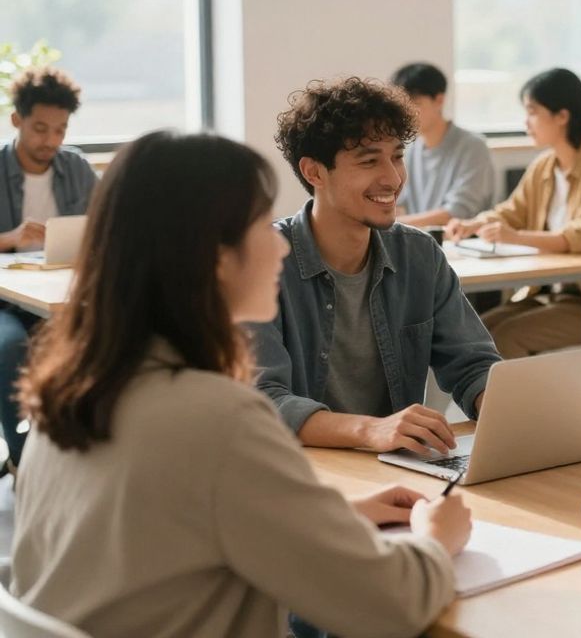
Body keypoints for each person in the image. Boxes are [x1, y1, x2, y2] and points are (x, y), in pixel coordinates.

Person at [11, 132, 473, 637]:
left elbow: (173, 523)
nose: (279, 243)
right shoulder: (218, 418)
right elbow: (391, 602)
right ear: (215, 257)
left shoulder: (71, 389)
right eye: (260, 224)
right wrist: (436, 539)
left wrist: (325, 516)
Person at [253, 76, 501, 452]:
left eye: (397, 156)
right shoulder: (261, 264)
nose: (393, 178)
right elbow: (263, 400)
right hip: (298, 468)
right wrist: (370, 430)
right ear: (314, 172)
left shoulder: (419, 255)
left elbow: (473, 364)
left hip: (394, 468)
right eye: (369, 161)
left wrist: (505, 406)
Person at [445, 68, 581, 358]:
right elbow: (512, 211)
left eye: (532, 112)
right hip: (548, 294)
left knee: (506, 337)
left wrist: (515, 237)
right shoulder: (544, 165)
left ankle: (517, 392)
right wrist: (474, 224)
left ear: (562, 116)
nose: (526, 122)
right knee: (479, 331)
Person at [0, 66, 98, 471]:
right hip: (5, 303)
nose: (51, 141)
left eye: (60, 130)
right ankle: (24, 461)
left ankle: (83, 453)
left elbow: (104, 229)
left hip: (59, 296)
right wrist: (10, 238)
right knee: (10, 347)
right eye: (40, 129)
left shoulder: (76, 168)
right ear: (17, 120)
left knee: (104, 338)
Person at [390, 62, 496, 227]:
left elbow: (458, 212)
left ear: (439, 100)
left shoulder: (473, 147)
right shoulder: (409, 148)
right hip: (419, 237)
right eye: (401, 105)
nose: (406, 113)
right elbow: (399, 204)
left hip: (460, 238)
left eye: (415, 103)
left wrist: (394, 224)